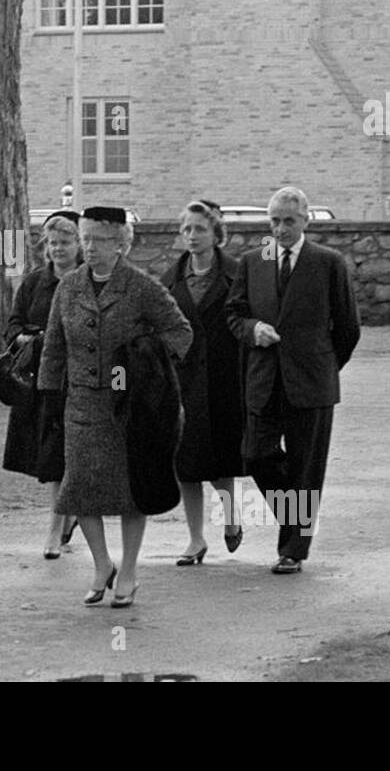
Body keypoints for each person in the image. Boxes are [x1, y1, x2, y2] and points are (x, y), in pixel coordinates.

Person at [37, 206, 193, 607]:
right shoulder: (68, 287)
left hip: (131, 408)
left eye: (101, 240)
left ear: (122, 243)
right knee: (78, 491)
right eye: (86, 238)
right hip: (82, 406)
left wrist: (145, 360)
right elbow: (54, 347)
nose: (90, 247)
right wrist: (49, 396)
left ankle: (129, 571)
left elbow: (181, 332)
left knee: (130, 492)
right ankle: (101, 563)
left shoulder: (142, 286)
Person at [225, 186, 361, 574]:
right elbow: (233, 313)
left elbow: (348, 327)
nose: (280, 229)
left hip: (312, 383)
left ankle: (293, 550)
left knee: (306, 469)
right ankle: (295, 513)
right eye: (274, 221)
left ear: (305, 221)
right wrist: (253, 330)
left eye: (288, 221)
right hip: (265, 380)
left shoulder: (327, 262)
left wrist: (323, 366)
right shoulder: (255, 260)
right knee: (256, 455)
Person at [161, 200, 245, 564]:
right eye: (187, 229)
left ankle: (231, 518)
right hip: (184, 382)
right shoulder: (170, 279)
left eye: (200, 229)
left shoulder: (237, 274)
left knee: (223, 462)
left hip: (226, 380)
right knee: (187, 465)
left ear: (216, 234)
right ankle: (195, 539)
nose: (192, 236)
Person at [2, 210, 83, 559]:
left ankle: (62, 521)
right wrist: (25, 339)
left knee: (72, 455)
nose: (58, 248)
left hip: (81, 382)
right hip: (42, 383)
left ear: (78, 244)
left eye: (65, 242)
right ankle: (59, 521)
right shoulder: (34, 283)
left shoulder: (89, 279)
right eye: (52, 243)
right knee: (52, 457)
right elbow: (12, 326)